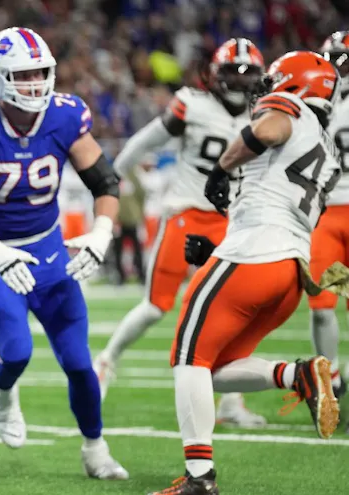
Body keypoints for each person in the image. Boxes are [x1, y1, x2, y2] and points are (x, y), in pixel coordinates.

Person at [147, 51, 343, 495]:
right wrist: (221, 248)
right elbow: (278, 207)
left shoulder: (290, 111)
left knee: (187, 360)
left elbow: (268, 129)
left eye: (275, 81)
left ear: (295, 86)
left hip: (254, 257)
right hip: (288, 273)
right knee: (210, 371)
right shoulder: (328, 150)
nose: (265, 89)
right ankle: (296, 373)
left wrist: (221, 167)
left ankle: (199, 475)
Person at [0, 27, 127, 479]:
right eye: (23, 75)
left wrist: (101, 234)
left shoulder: (64, 116)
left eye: (41, 72)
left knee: (80, 362)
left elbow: (106, 182)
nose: (35, 83)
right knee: (17, 353)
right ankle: (2, 393)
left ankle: (95, 448)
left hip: (48, 250)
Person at [95, 39, 267, 427]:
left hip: (231, 222)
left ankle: (230, 401)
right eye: (232, 73)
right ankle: (106, 361)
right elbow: (144, 141)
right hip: (187, 214)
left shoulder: (264, 113)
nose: (240, 82)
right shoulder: (193, 104)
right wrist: (112, 179)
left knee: (232, 312)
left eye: (247, 74)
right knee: (156, 305)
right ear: (215, 76)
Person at [308, 31, 349, 401]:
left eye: (343, 59)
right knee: (322, 305)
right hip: (326, 216)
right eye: (331, 58)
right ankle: (330, 380)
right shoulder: (313, 101)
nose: (337, 68)